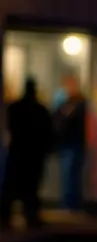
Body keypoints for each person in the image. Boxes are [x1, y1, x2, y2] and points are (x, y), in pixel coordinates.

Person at [1, 78, 55, 229]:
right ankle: (30, 218)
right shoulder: (40, 110)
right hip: (32, 155)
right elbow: (48, 132)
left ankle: (7, 218)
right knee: (30, 188)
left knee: (12, 188)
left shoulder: (15, 108)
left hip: (19, 153)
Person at [54, 73, 88, 211]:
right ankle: (70, 203)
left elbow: (65, 121)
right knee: (70, 176)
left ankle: (70, 204)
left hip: (73, 144)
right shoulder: (66, 103)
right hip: (69, 144)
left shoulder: (78, 104)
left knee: (71, 176)